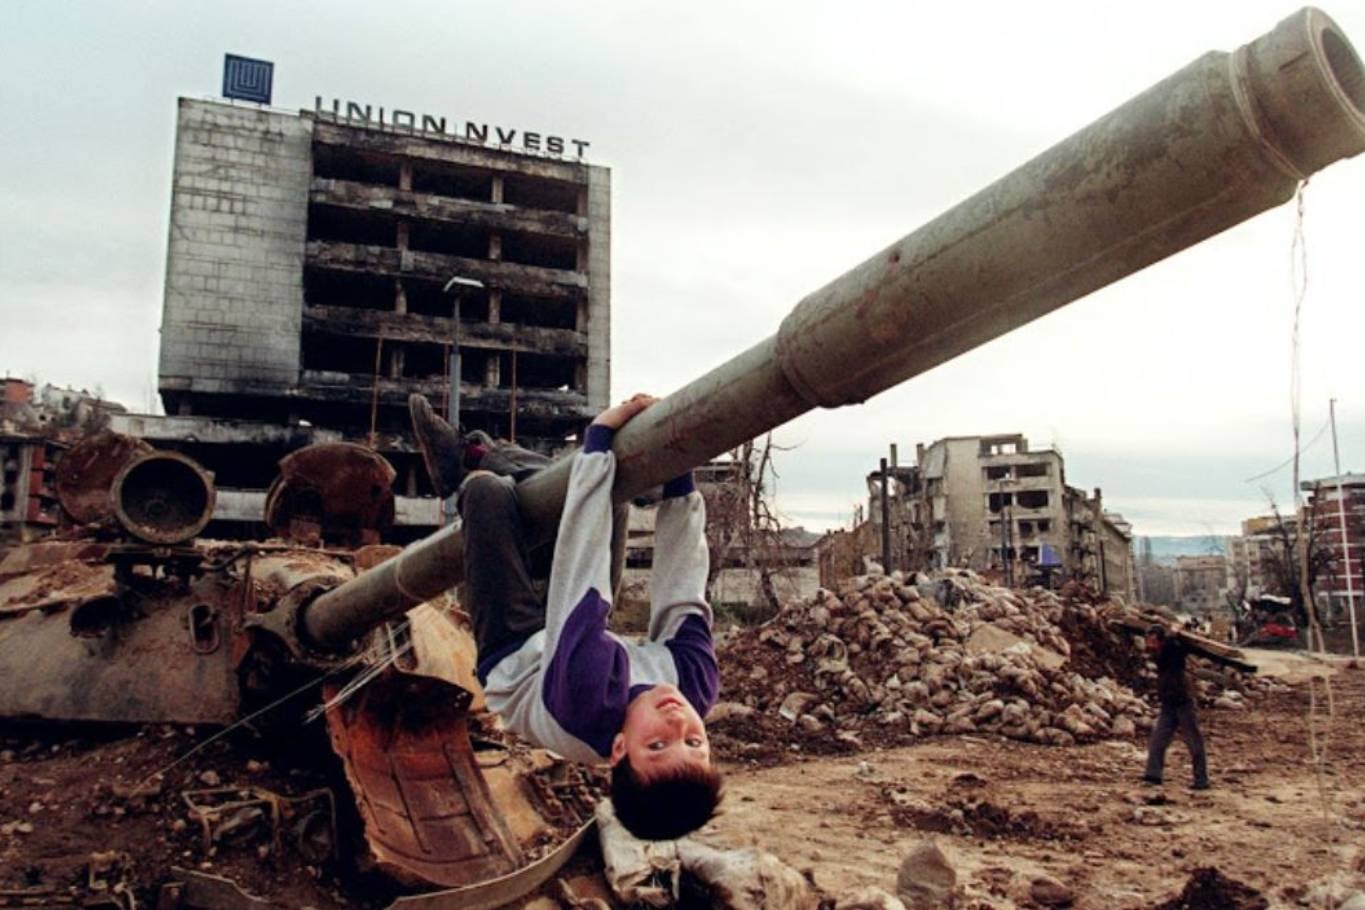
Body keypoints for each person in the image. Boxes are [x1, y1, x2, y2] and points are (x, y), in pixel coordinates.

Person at [409, 393, 722, 840]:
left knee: (487, 493)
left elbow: (581, 574)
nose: (678, 723)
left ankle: (471, 463)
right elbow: (683, 585)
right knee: (612, 495)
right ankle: (475, 453)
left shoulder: (586, 699)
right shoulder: (695, 685)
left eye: (657, 745)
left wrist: (598, 436)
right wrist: (679, 477)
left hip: (518, 653)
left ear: (619, 749)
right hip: (585, 634)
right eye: (694, 742)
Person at [1142, 624, 1210, 790]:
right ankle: (1153, 775)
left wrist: (1173, 634)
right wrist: (1172, 634)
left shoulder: (1173, 651)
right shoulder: (1160, 653)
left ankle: (1201, 780)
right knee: (1158, 740)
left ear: (1161, 641)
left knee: (1193, 741)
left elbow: (1174, 650)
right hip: (1168, 703)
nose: (1150, 645)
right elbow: (1165, 651)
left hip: (1183, 702)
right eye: (1148, 641)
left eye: (1153, 641)